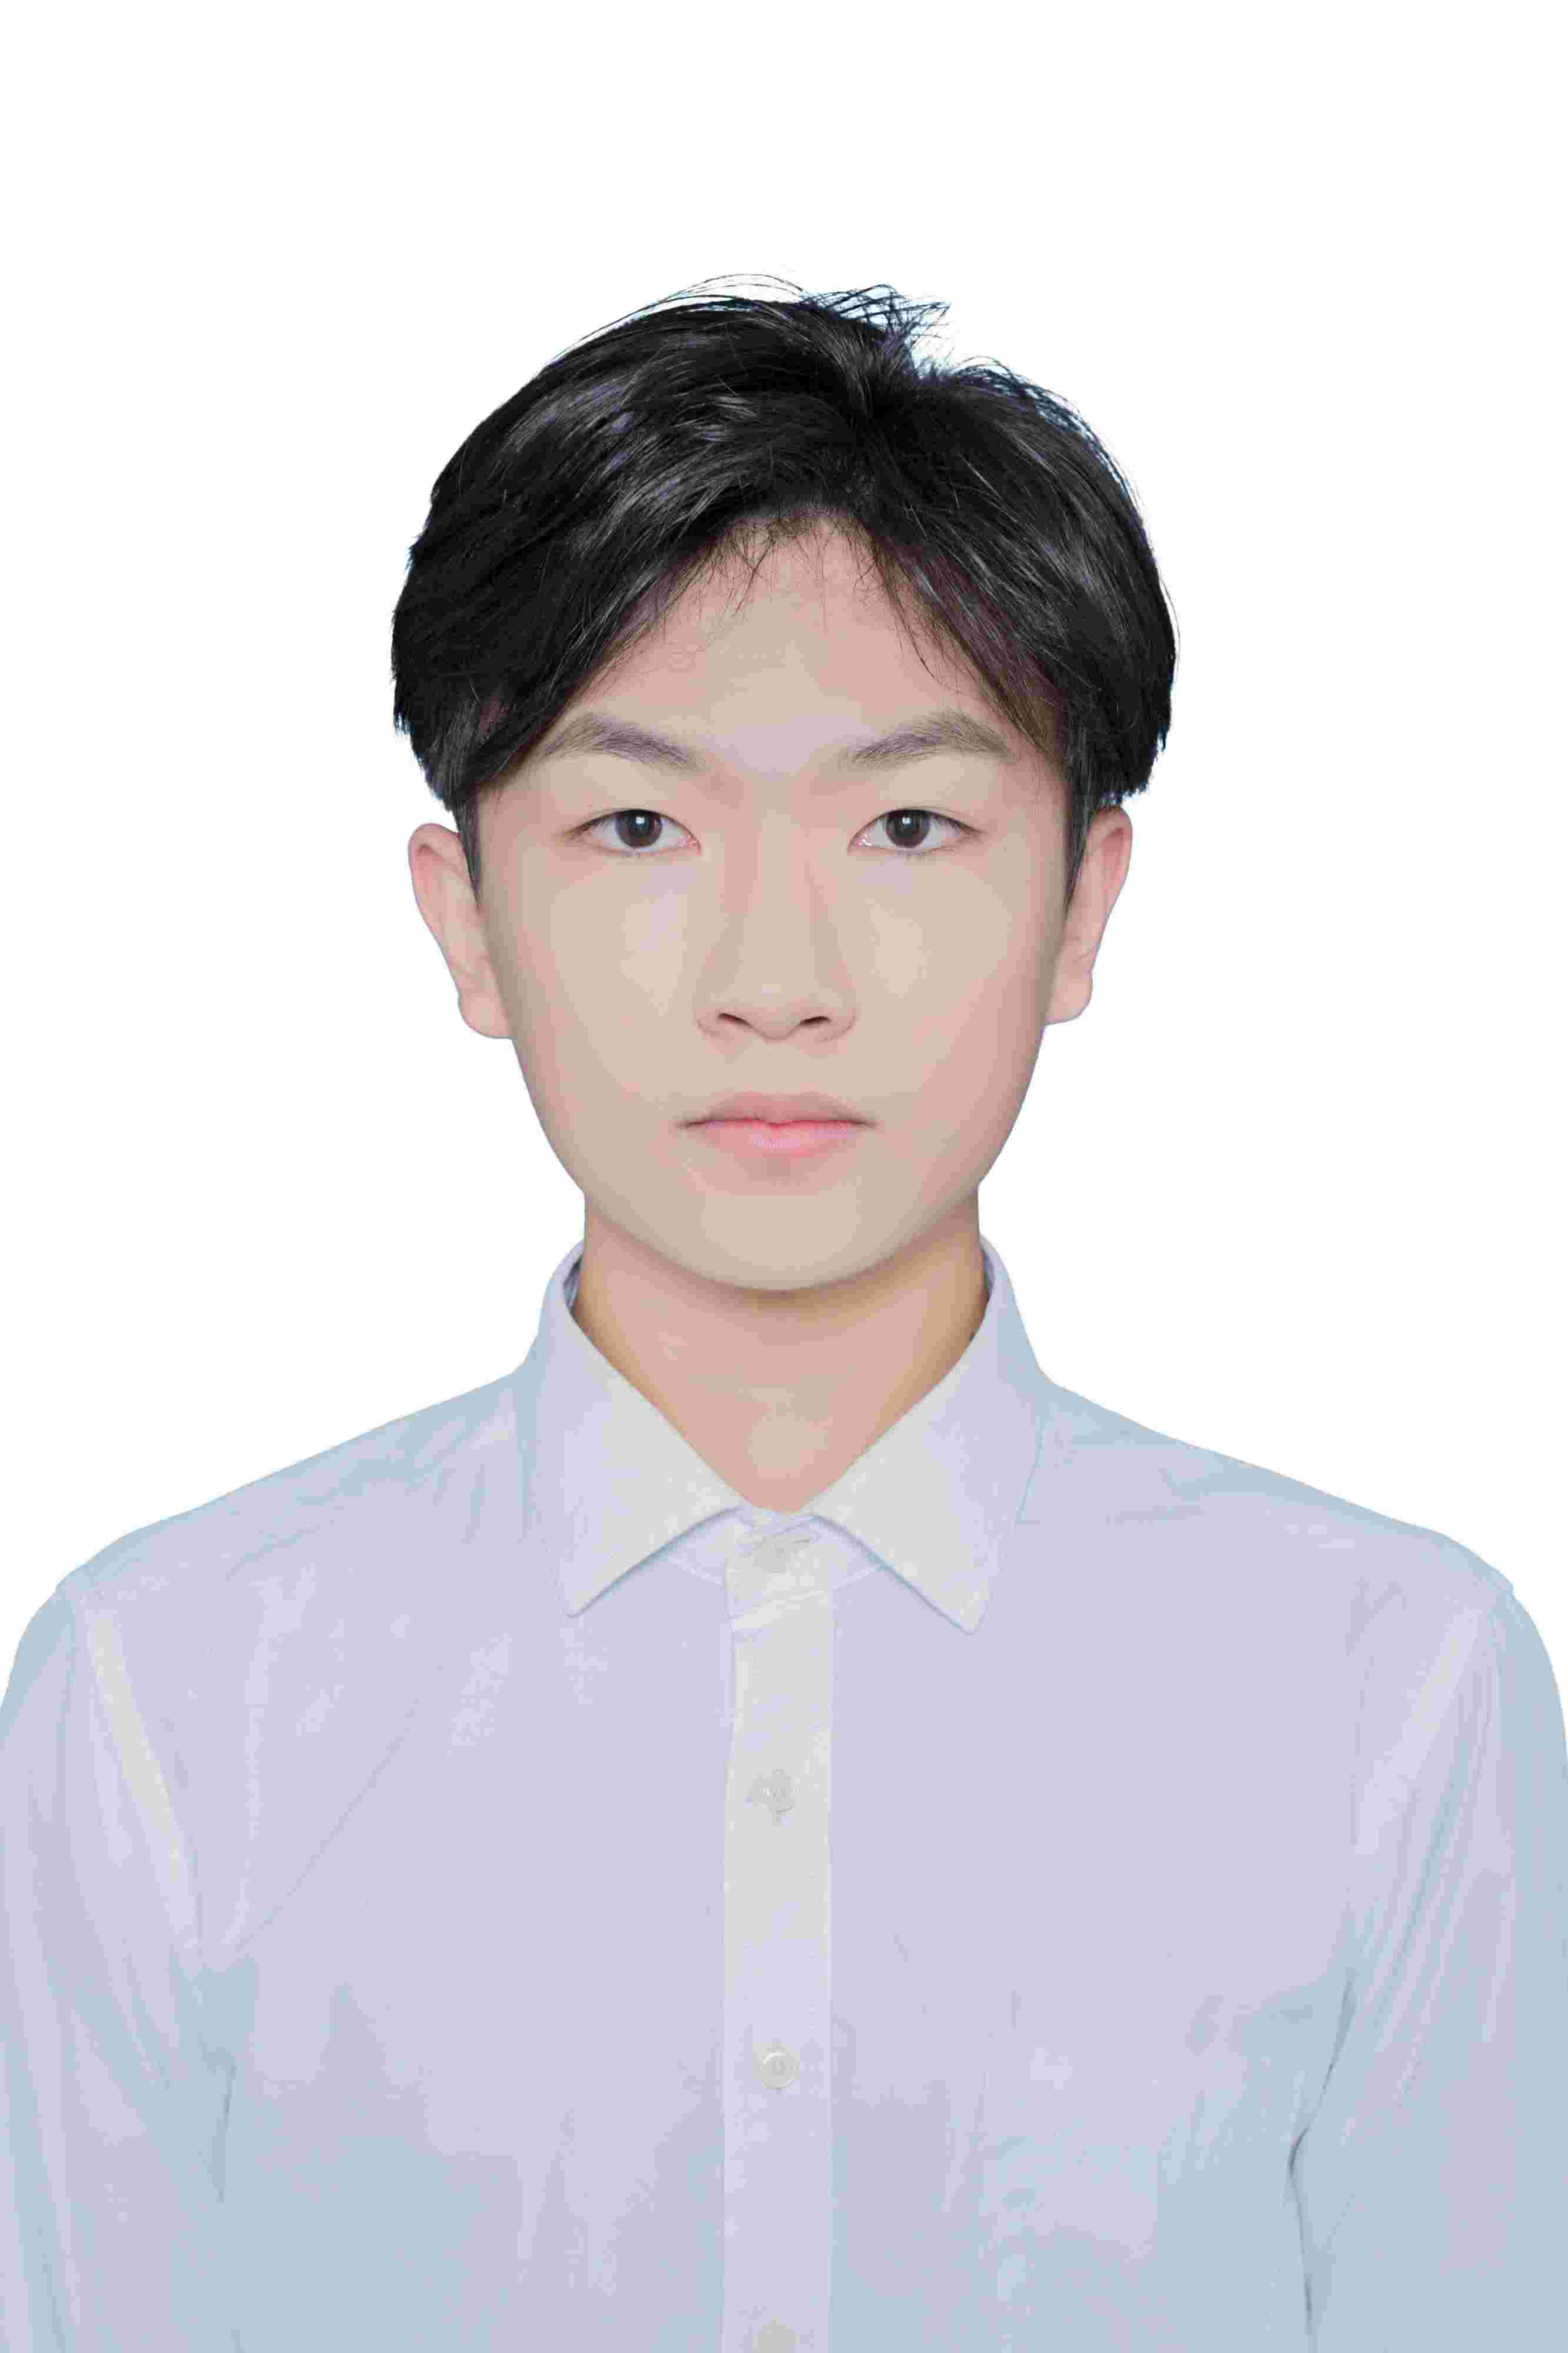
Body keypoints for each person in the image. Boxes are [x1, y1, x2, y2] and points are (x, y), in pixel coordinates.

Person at [4, 276, 1564, 2351]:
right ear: (467, 921)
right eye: (636, 825)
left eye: (907, 825)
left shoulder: (1388, 1690)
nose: (771, 976)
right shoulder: (166, 1700)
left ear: (1082, 905)